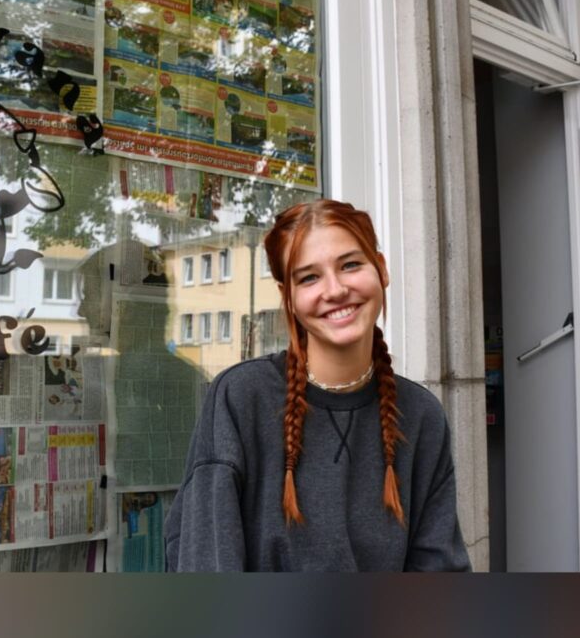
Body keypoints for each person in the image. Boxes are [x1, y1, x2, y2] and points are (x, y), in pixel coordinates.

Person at [165, 199, 470, 571]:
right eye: (309, 277)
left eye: (350, 265)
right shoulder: (241, 398)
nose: (335, 289)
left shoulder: (421, 414)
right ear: (288, 297)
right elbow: (206, 562)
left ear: (382, 269)